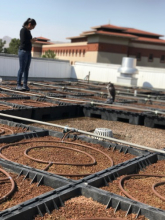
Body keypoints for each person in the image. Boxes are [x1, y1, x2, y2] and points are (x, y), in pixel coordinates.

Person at [16, 18, 37, 91]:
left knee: (26, 69)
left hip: (28, 52)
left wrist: (32, 41)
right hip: (23, 51)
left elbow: (29, 41)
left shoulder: (28, 31)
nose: (33, 28)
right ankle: (18, 84)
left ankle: (25, 85)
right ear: (29, 24)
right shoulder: (23, 30)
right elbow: (24, 41)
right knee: (22, 68)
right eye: (33, 27)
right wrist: (31, 40)